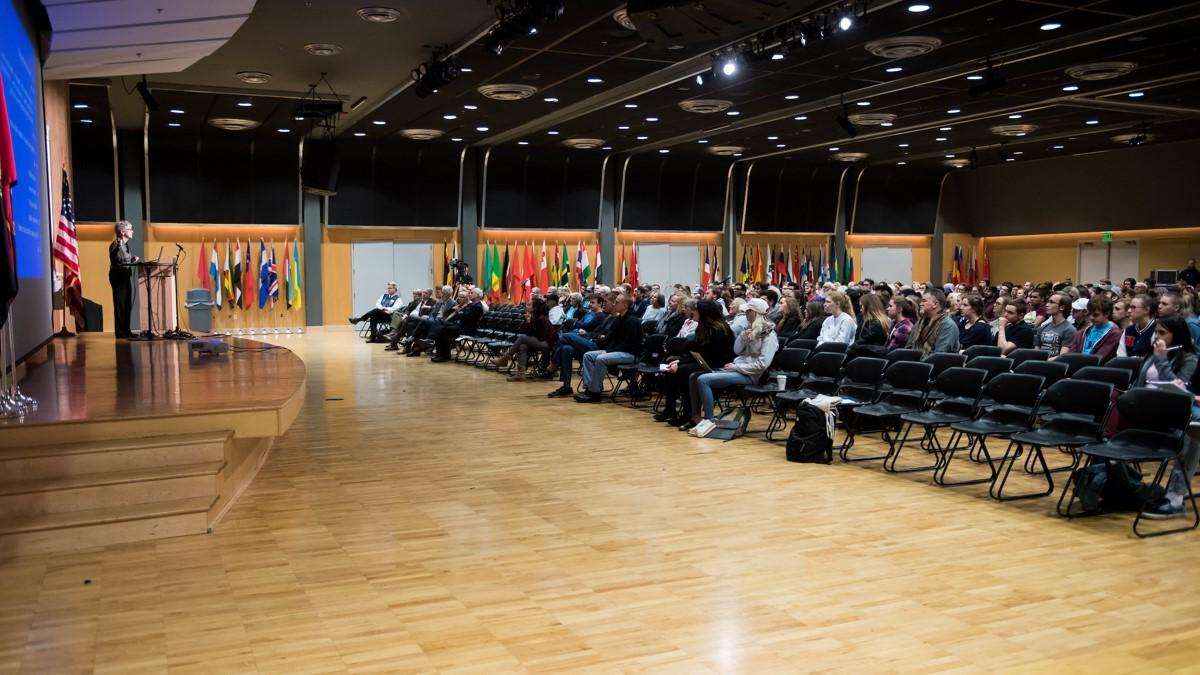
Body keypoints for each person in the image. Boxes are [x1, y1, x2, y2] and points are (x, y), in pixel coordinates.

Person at [1135, 315, 1200, 519]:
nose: (1157, 337)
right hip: (1146, 409)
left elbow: (1178, 390)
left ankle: (1175, 498)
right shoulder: (1153, 352)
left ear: (1177, 335)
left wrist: (1162, 359)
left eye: (1162, 333)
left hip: (1173, 412)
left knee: (1191, 434)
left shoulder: (1189, 358)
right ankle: (1127, 487)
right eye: (1156, 332)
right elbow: (1142, 381)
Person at [683, 298, 779, 430]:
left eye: (747, 312)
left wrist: (737, 367)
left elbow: (762, 364)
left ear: (753, 313)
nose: (744, 315)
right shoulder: (750, 330)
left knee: (703, 379)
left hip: (752, 374)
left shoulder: (770, 336)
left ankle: (709, 420)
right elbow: (737, 350)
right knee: (693, 376)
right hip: (738, 368)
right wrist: (744, 336)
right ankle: (695, 417)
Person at [656, 300, 735, 426]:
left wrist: (680, 364)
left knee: (682, 372)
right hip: (703, 360)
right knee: (671, 371)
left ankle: (688, 414)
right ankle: (671, 409)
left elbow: (709, 354)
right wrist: (679, 361)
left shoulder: (719, 329)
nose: (693, 312)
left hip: (717, 364)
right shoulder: (702, 327)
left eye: (696, 310)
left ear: (704, 313)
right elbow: (696, 351)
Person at [575, 294, 644, 403]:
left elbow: (629, 344)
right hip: (617, 351)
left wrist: (609, 351)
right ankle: (589, 388)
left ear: (625, 305)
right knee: (588, 355)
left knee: (601, 359)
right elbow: (610, 338)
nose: (614, 304)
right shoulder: (618, 319)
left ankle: (595, 393)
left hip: (631, 354)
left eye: (617, 302)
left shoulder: (632, 321)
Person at [494, 298, 556, 381]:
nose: (526, 306)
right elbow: (529, 333)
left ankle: (505, 358)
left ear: (535, 308)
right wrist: (528, 321)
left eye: (529, 304)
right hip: (539, 341)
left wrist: (529, 324)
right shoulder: (533, 316)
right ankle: (521, 374)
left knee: (522, 338)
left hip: (547, 343)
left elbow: (541, 337)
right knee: (522, 346)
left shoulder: (542, 319)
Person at [429, 288, 484, 362]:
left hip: (467, 329)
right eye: (470, 293)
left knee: (442, 330)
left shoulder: (477, 306)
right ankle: (441, 353)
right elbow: (459, 315)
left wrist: (459, 311)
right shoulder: (471, 305)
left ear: (478, 295)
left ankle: (443, 354)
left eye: (472, 293)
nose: (470, 294)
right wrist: (459, 312)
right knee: (439, 324)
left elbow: (465, 316)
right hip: (460, 326)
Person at [1065, 295, 1121, 363]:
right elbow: (1070, 356)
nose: (1091, 317)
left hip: (1096, 371)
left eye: (1095, 315)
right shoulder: (1082, 333)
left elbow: (1099, 359)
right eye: (1089, 314)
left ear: (1107, 314)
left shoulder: (1114, 334)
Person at [108, 220, 138, 339]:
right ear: (122, 231)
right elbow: (114, 254)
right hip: (118, 277)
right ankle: (120, 332)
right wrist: (118, 246)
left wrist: (131, 259)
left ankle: (127, 330)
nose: (132, 231)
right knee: (120, 305)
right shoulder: (117, 243)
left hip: (125, 276)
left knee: (126, 304)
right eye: (130, 229)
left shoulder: (125, 245)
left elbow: (121, 259)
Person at [908, 289, 960, 354]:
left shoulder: (948, 326)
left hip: (933, 363)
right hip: (915, 362)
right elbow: (909, 347)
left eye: (924, 301)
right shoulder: (920, 322)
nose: (920, 304)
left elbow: (939, 356)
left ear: (935, 304)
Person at [1035, 292, 1076, 356]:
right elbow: (1036, 352)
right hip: (1039, 363)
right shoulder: (1042, 328)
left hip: (1056, 365)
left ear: (1062, 307)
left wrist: (1043, 361)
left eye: (1051, 302)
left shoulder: (1070, 330)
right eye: (1048, 301)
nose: (1047, 304)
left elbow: (1063, 356)